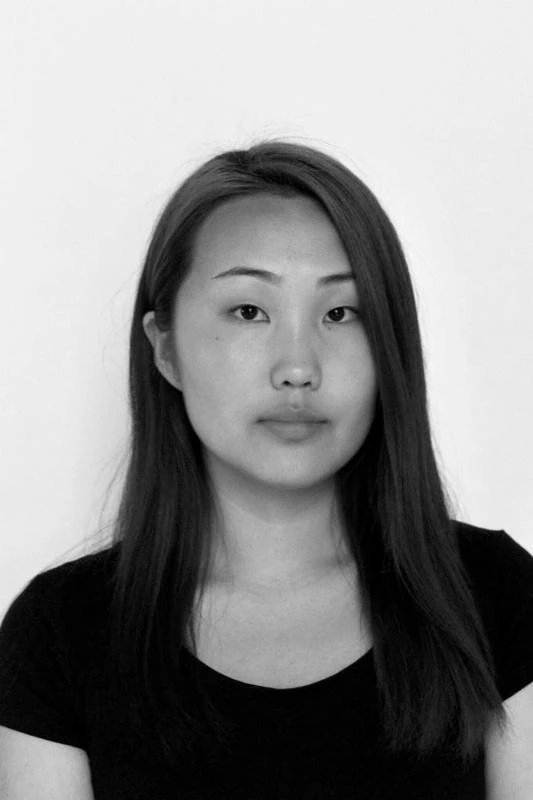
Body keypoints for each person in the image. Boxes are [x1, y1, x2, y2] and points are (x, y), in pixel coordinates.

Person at [1, 139, 533, 799]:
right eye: (249, 311)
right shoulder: (59, 634)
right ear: (165, 349)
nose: (298, 367)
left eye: (341, 313)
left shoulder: (495, 597)